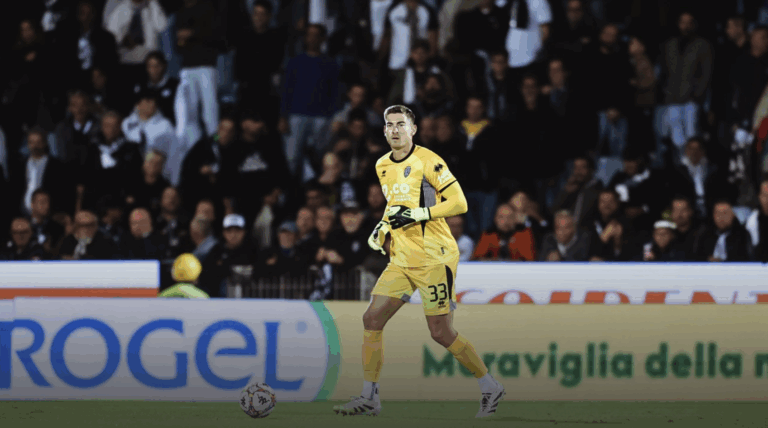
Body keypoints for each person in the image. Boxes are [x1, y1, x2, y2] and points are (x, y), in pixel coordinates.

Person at [333, 105, 505, 418]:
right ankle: (369, 397)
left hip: (434, 257)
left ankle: (489, 385)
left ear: (413, 130)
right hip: (401, 257)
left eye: (401, 124)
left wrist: (419, 214)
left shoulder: (429, 161)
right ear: (384, 130)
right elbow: (394, 205)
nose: (395, 130)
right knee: (372, 319)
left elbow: (459, 203)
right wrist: (382, 228)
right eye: (389, 124)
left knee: (440, 332)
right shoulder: (382, 165)